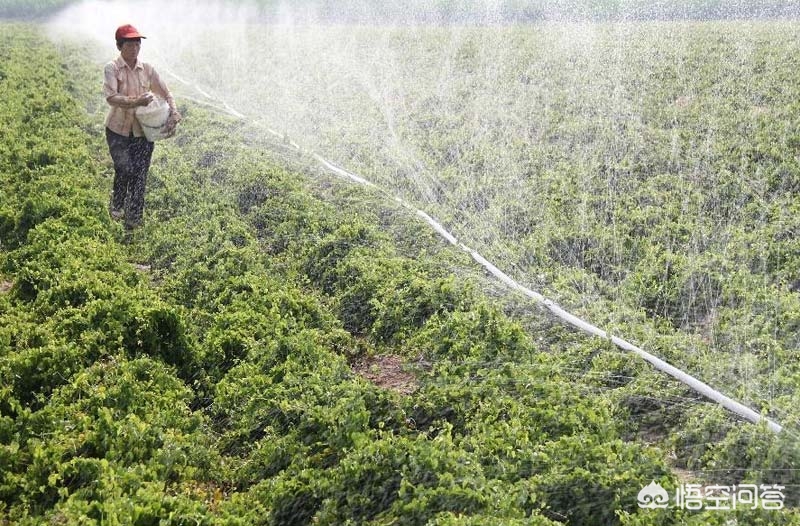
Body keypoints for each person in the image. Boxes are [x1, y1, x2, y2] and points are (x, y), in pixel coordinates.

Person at [103, 23, 181, 230]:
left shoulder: (147, 70)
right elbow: (111, 97)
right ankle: (117, 205)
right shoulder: (112, 68)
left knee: (140, 175)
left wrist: (173, 111)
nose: (135, 48)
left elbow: (167, 93)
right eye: (130, 44)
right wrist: (136, 101)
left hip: (142, 133)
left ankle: (134, 220)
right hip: (117, 131)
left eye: (137, 43)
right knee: (124, 169)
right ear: (120, 46)